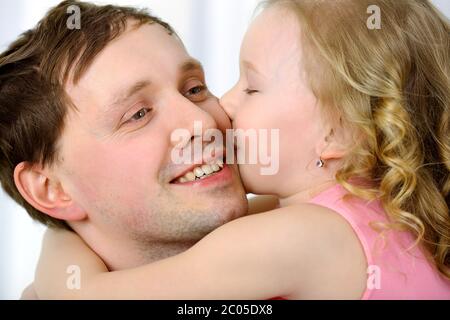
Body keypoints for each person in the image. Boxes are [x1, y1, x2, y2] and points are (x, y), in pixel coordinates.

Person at [19, 0, 450, 299]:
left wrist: (56, 247)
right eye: (138, 114)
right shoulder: (357, 208)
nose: (214, 113)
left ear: (336, 134)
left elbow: (89, 296)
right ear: (49, 189)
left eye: (252, 87)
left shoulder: (296, 234)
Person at [0, 0, 275, 296]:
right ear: (51, 188)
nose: (203, 121)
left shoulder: (315, 226)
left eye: (194, 89)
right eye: (138, 114)